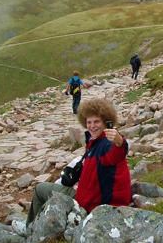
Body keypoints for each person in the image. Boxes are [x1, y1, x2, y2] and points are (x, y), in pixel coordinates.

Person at [12, 98, 131, 237]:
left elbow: (117, 153)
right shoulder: (95, 142)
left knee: (40, 189)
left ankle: (31, 230)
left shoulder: (106, 144)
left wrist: (119, 141)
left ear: (106, 121)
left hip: (93, 203)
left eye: (97, 122)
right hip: (89, 196)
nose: (92, 126)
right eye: (89, 122)